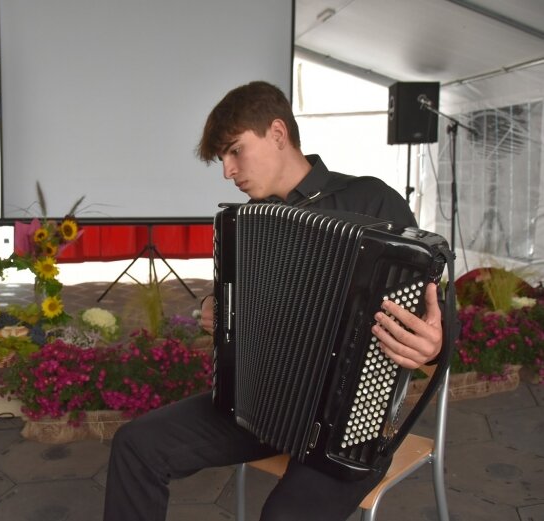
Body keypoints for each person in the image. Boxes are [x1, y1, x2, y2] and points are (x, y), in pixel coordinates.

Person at [103, 81, 444, 521]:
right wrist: (214, 308)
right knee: (137, 445)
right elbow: (240, 298)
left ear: (278, 134)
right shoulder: (244, 223)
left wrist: (432, 344)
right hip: (260, 406)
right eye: (222, 160)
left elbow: (434, 314)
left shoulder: (372, 201)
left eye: (234, 151)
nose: (228, 171)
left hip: (348, 424)